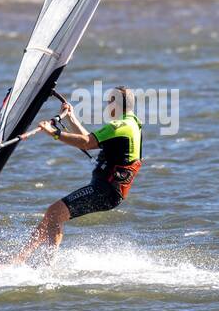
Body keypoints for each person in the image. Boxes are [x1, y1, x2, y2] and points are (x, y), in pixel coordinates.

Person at [10, 85, 142, 264]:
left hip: (106, 190)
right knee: (51, 215)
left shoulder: (120, 125)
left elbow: (87, 143)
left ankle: (46, 266)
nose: (106, 105)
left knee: (54, 213)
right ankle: (18, 260)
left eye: (109, 101)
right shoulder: (131, 123)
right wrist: (71, 117)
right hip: (108, 190)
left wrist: (55, 133)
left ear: (116, 104)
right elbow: (89, 139)